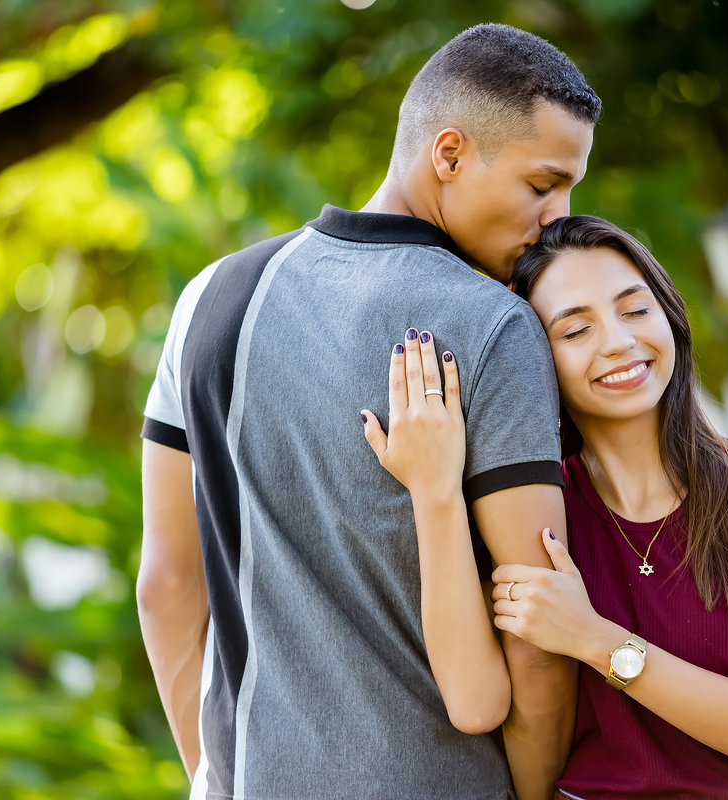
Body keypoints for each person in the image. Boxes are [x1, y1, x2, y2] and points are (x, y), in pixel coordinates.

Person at [137, 24, 599, 800]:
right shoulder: (494, 326)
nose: (558, 217)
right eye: (542, 185)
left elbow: (167, 585)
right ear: (448, 155)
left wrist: (219, 778)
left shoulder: (209, 299)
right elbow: (538, 638)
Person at [364, 215, 728, 800]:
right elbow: (473, 703)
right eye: (576, 330)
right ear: (533, 361)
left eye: (636, 310)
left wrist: (595, 639)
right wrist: (434, 490)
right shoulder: (534, 515)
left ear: (669, 316)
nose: (618, 341)